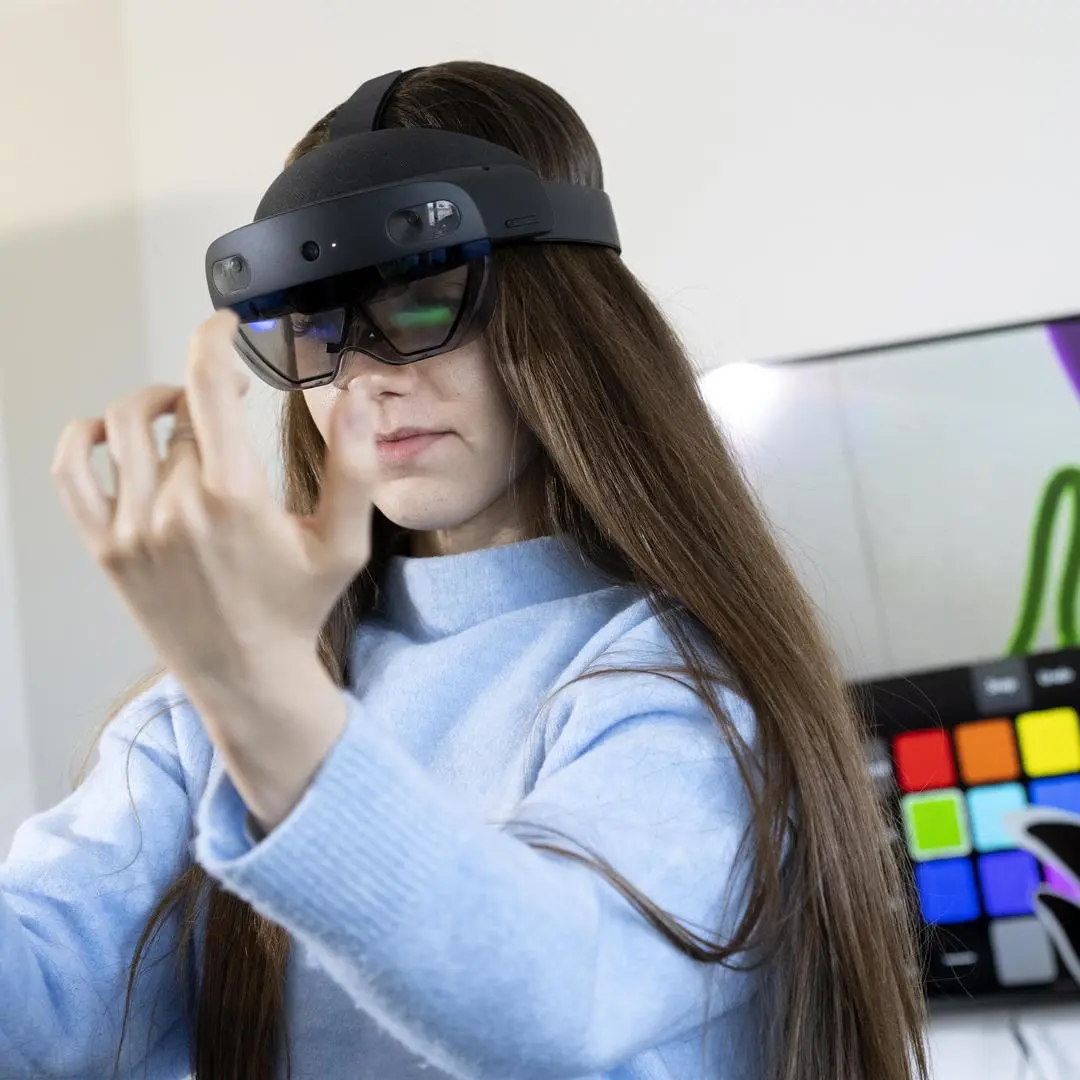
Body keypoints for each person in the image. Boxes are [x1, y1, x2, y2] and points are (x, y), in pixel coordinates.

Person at [1, 61, 928, 1080]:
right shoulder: (207, 716)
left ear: (559, 324)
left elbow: (551, 1000)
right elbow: (39, 1006)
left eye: (424, 302)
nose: (364, 380)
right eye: (319, 328)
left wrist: (268, 709)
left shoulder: (677, 693)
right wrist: (251, 691)